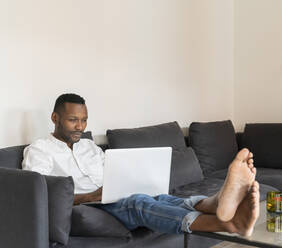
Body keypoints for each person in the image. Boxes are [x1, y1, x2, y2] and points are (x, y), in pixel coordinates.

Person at [22, 93, 260, 236]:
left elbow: (117, 171)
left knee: (159, 198)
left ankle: (214, 203)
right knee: (138, 203)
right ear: (55, 118)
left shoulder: (89, 146)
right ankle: (227, 223)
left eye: (84, 120)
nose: (80, 127)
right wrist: (89, 196)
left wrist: (134, 178)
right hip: (87, 206)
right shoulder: (39, 151)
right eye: (73, 120)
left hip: (111, 196)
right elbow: (39, 197)